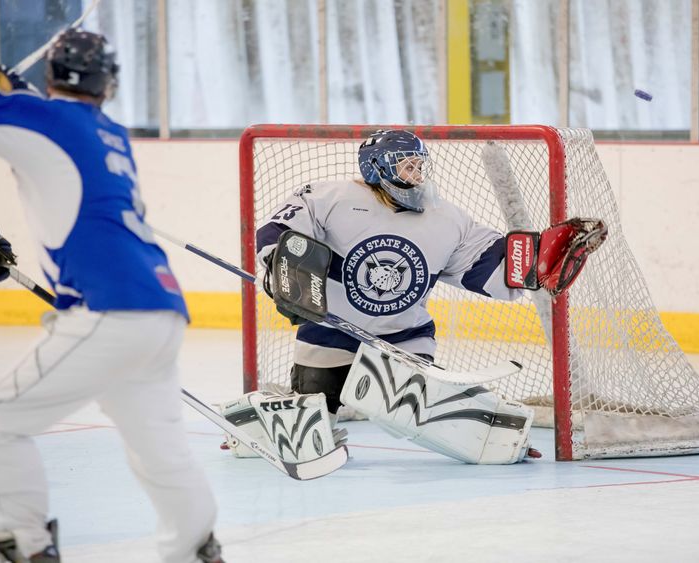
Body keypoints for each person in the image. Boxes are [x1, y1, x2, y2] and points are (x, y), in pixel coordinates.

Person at [0, 30, 223, 563]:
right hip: (160, 309)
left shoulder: (42, 118)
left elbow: (19, 114)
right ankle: (195, 550)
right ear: (108, 83)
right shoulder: (110, 134)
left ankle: (23, 545)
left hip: (107, 310)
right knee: (160, 452)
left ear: (53, 76)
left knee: (0, 422)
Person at [252, 129, 603, 464]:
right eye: (407, 165)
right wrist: (283, 271)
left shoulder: (445, 218)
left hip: (404, 339)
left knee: (411, 414)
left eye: (419, 164)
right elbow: (277, 233)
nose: (417, 174)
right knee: (310, 432)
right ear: (377, 167)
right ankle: (256, 429)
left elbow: (489, 267)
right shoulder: (328, 198)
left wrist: (535, 263)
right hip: (328, 335)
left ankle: (497, 437)